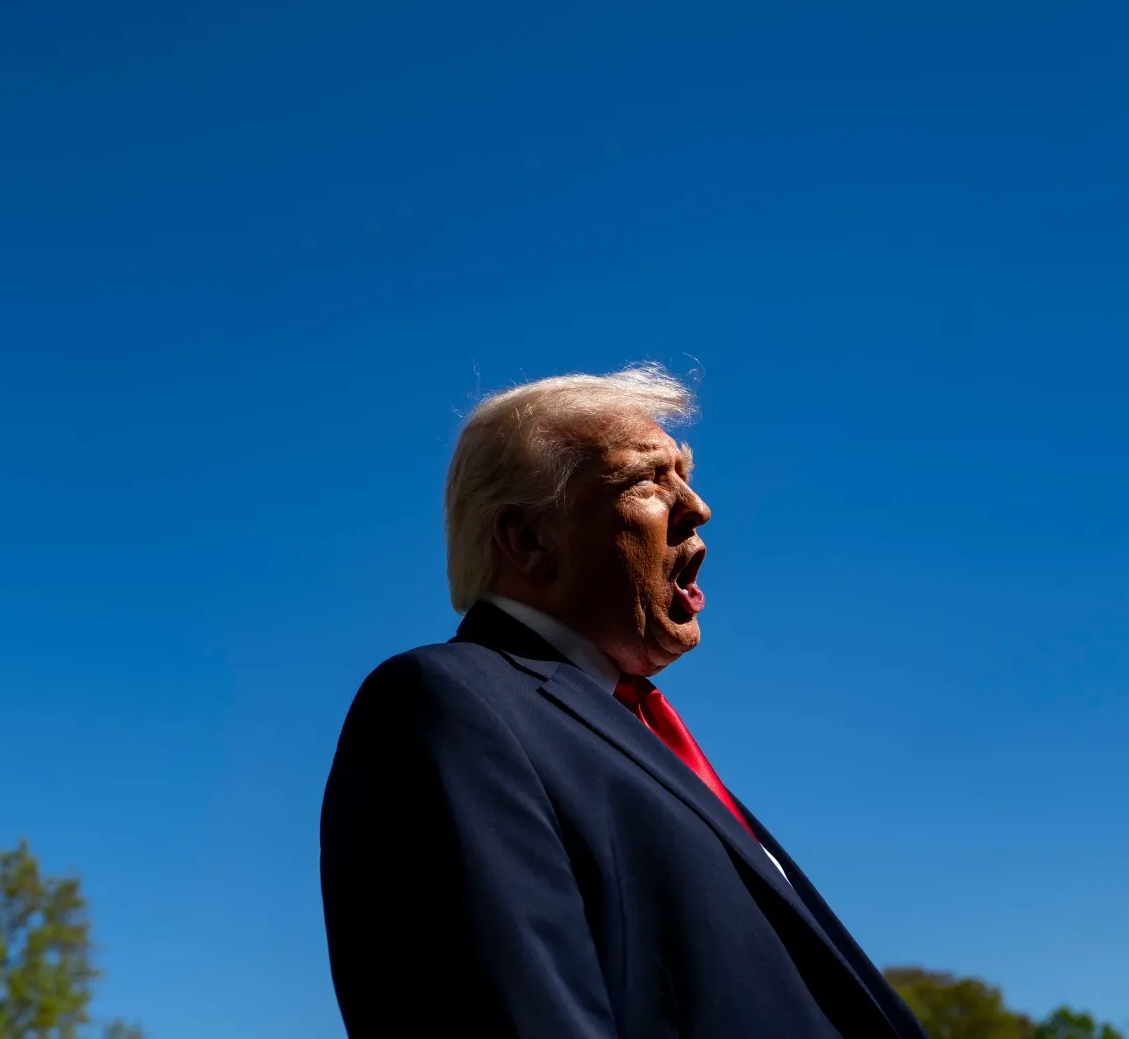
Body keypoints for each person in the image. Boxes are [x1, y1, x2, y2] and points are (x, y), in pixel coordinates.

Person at [319, 366, 926, 1038]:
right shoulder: (448, 702)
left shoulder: (638, 731)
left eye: (686, 475)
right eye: (648, 480)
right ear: (528, 539)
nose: (697, 507)